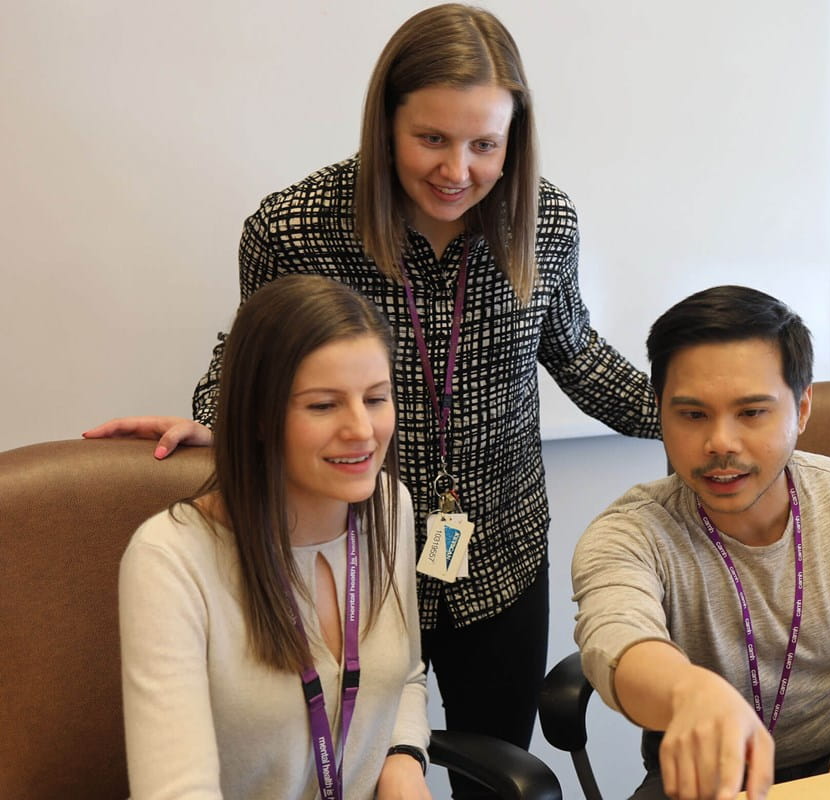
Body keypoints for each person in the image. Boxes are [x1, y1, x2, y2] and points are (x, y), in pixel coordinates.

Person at [86, 5, 660, 797]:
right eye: (432, 139)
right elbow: (252, 358)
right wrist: (224, 419)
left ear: (514, 140)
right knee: (331, 767)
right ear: (386, 123)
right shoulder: (297, 227)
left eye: (485, 145)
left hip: (499, 551)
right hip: (346, 555)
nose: (457, 170)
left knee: (493, 772)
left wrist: (695, 418)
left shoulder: (544, 220)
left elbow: (575, 351)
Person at [571, 285, 830, 800]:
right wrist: (690, 693)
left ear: (802, 408)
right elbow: (615, 638)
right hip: (700, 779)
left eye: (751, 413)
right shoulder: (630, 532)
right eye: (693, 415)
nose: (720, 443)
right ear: (660, 412)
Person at [119, 276, 431, 800]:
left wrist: (403, 758)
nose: (362, 429)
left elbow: (406, 677)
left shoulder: (387, 506)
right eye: (323, 405)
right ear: (259, 416)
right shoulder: (170, 558)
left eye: (376, 398)